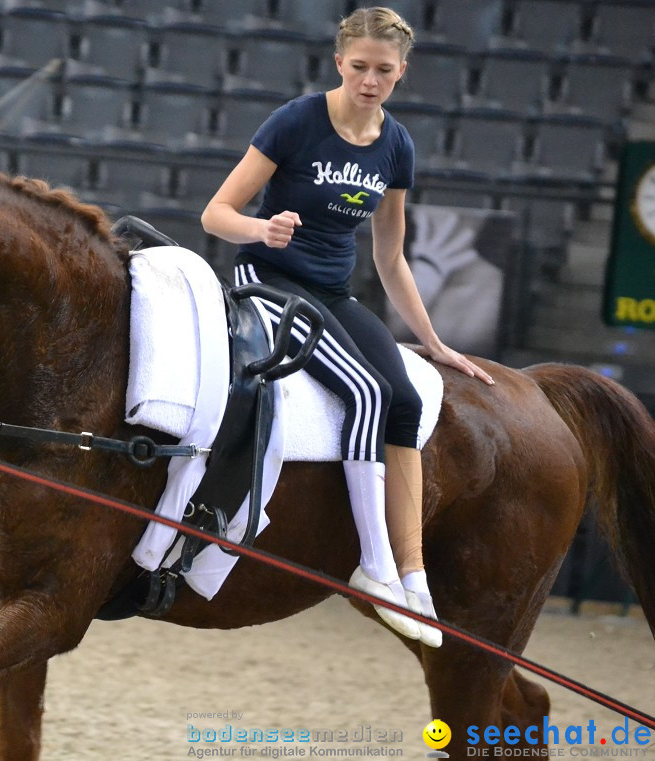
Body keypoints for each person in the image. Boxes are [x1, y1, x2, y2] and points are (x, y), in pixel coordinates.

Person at [201, 6, 495, 647]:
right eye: (359, 67)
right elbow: (215, 213)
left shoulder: (396, 146)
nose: (370, 80)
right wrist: (261, 228)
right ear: (340, 63)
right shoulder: (297, 121)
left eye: (383, 71)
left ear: (401, 73)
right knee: (364, 393)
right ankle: (375, 566)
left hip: (333, 291)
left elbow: (391, 258)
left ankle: (412, 576)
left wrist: (436, 342)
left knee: (407, 400)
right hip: (267, 281)